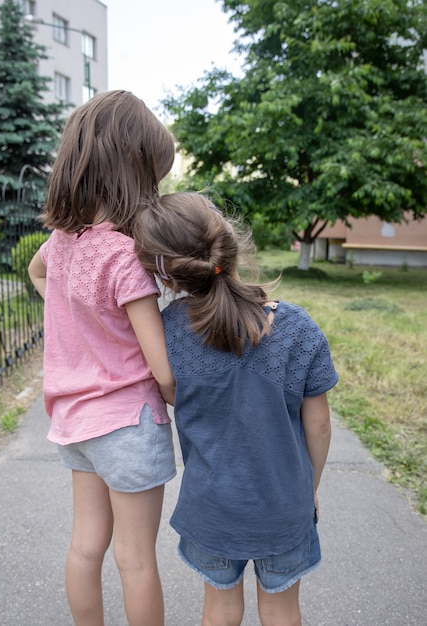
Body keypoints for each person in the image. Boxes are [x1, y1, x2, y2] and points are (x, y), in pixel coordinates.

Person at [133, 191, 339, 626]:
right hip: (286, 507)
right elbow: (318, 425)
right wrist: (310, 486)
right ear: (229, 243)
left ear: (167, 276)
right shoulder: (298, 327)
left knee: (220, 611)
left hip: (211, 511)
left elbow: (169, 390)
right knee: (282, 611)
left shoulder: (167, 331)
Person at [28, 90, 177, 626]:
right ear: (134, 172)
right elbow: (162, 370)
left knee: (85, 548)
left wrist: (72, 316)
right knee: (135, 560)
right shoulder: (123, 253)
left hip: (75, 423)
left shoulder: (63, 239)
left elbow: (35, 273)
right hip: (128, 423)